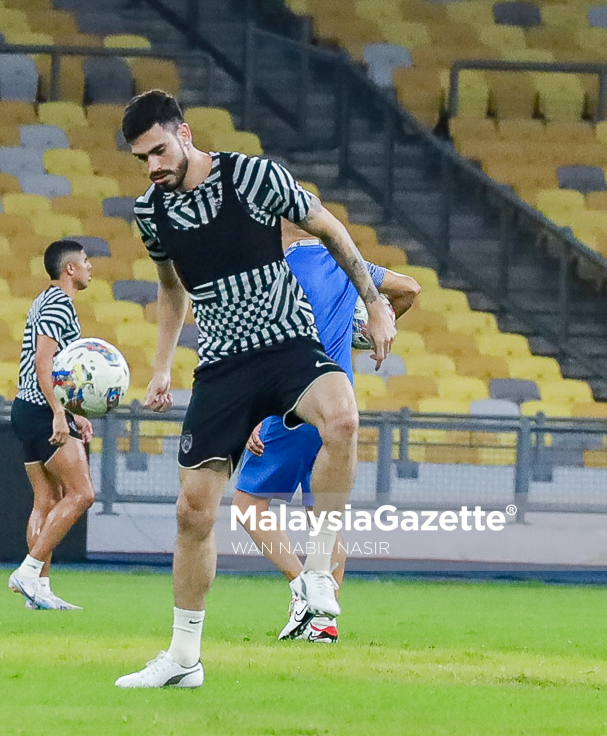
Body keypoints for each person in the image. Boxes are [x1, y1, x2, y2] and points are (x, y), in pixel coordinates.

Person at [113, 90, 395, 689]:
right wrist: (161, 367)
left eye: (160, 151)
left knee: (343, 420)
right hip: (223, 365)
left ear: (183, 134)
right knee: (194, 514)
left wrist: (375, 304)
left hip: (290, 342)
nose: (154, 167)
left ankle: (318, 570)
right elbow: (171, 289)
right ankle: (184, 659)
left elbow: (329, 227)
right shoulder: (152, 213)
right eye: (143, 159)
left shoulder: (254, 177)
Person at [234, 219, 421, 644]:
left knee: (248, 503)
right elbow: (409, 289)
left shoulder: (269, 270)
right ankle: (322, 622)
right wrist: (377, 328)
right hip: (341, 399)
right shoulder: (340, 260)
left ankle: (302, 586)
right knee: (325, 518)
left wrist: (246, 412)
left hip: (291, 402)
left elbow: (252, 346)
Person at [8, 240, 96, 611]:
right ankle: (29, 572)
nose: (91, 267)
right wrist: (60, 413)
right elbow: (45, 364)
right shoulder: (59, 303)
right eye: (86, 262)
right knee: (82, 494)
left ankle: (38, 591)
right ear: (70, 269)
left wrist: (75, 411)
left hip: (27, 408)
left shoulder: (44, 300)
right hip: (42, 411)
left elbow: (58, 367)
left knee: (47, 499)